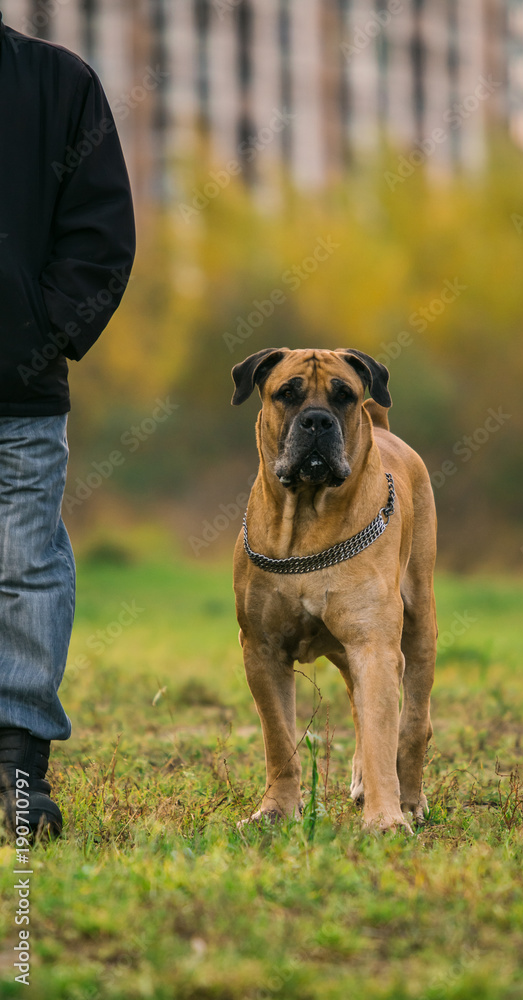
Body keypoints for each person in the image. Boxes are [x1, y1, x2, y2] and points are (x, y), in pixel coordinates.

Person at [0, 11, 136, 839]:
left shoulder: (60, 82)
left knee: (25, 570)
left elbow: (102, 235)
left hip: (17, 395)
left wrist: (36, 338)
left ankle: (18, 771)